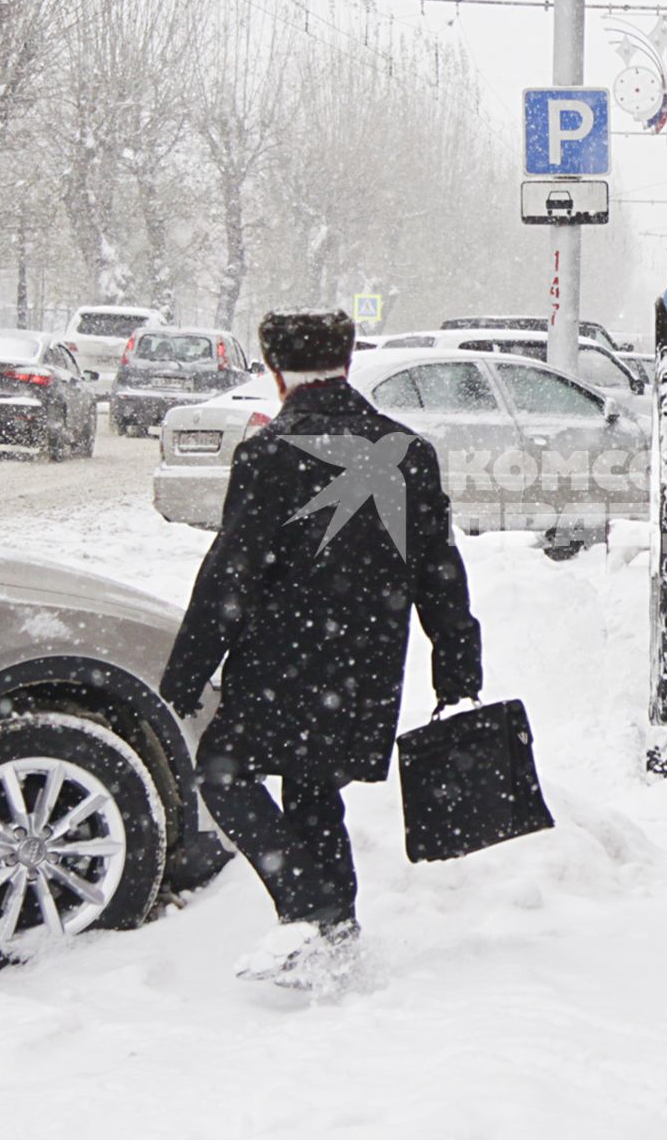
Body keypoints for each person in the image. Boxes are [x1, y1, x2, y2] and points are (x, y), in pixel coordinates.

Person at [159, 308, 482, 990]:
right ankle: (338, 934)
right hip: (366, 670)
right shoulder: (408, 451)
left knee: (222, 772)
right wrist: (456, 663)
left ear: (275, 372)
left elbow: (230, 575)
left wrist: (188, 672)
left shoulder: (269, 455)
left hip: (281, 665)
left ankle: (306, 909)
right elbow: (440, 571)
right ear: (350, 356)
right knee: (312, 795)